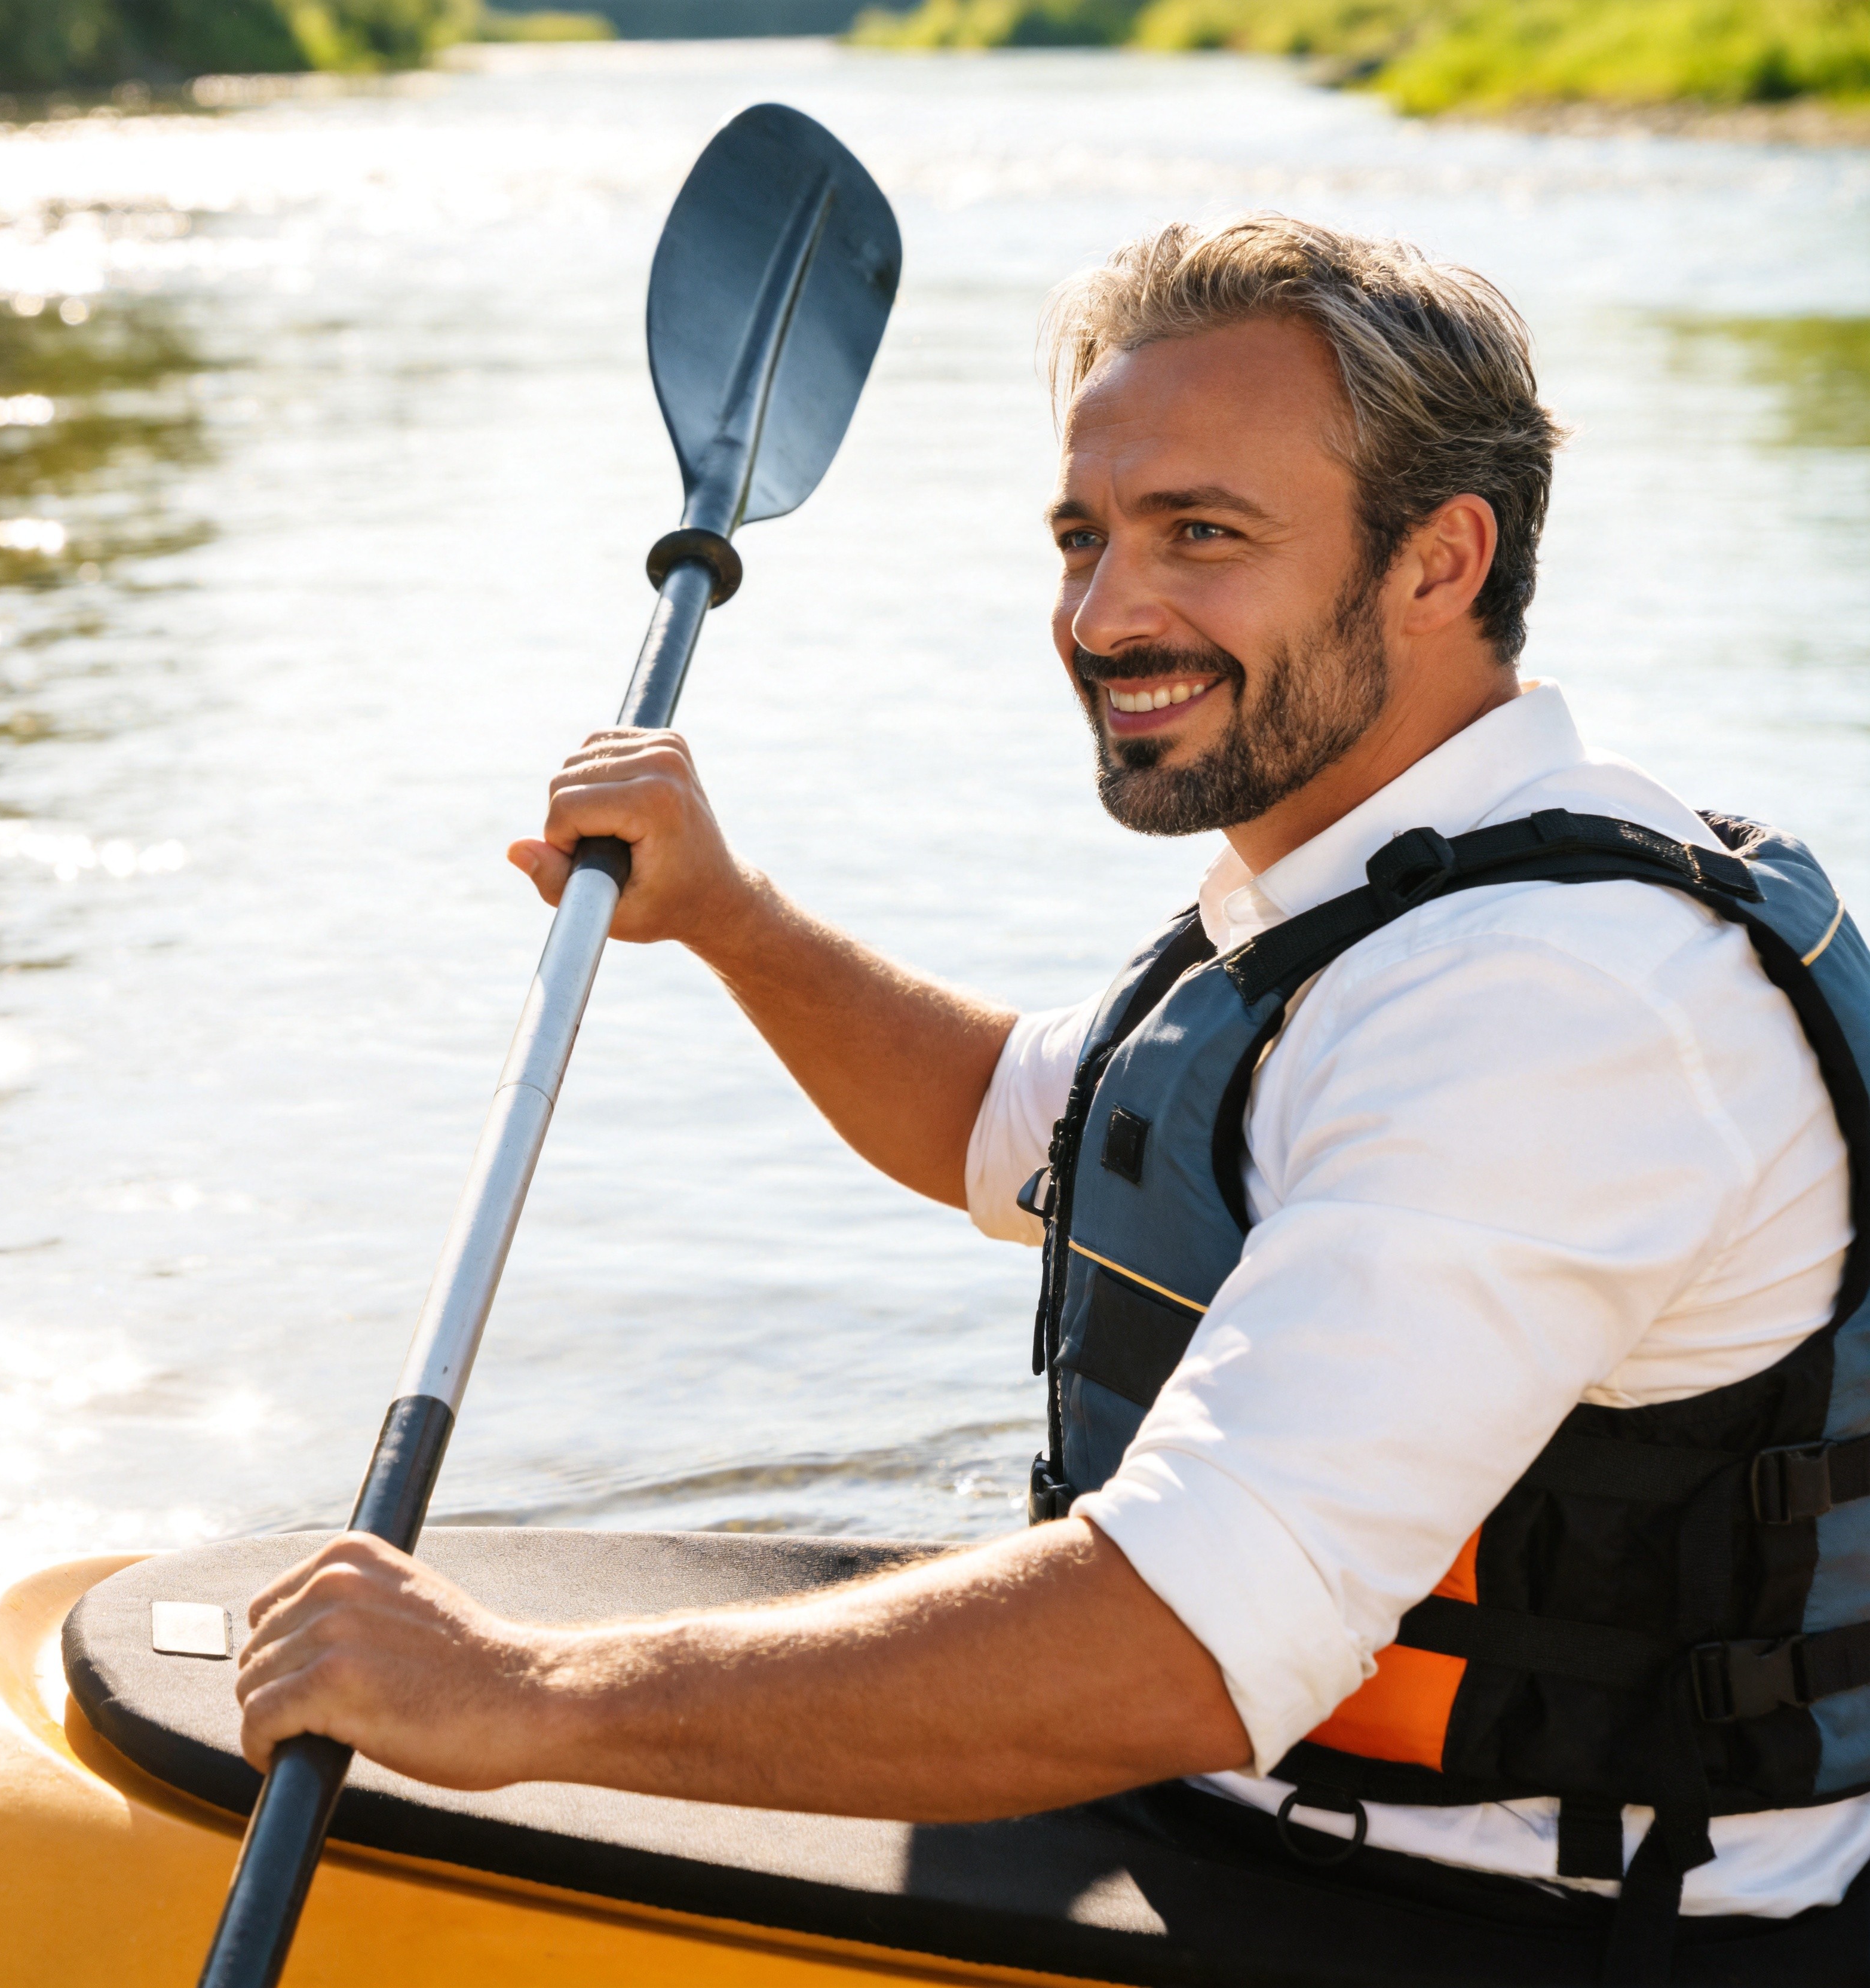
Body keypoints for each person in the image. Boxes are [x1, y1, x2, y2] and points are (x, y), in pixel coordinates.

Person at [229, 216, 1868, 1968]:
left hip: (1496, 1925)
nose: (1104, 614)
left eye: (1202, 537)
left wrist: (528, 1697)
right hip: (1278, 1833)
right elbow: (1020, 1131)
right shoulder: (1381, 895)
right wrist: (730, 917)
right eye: (1084, 537)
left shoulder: (1551, 1009)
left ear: (1438, 560)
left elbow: (1178, 1641)